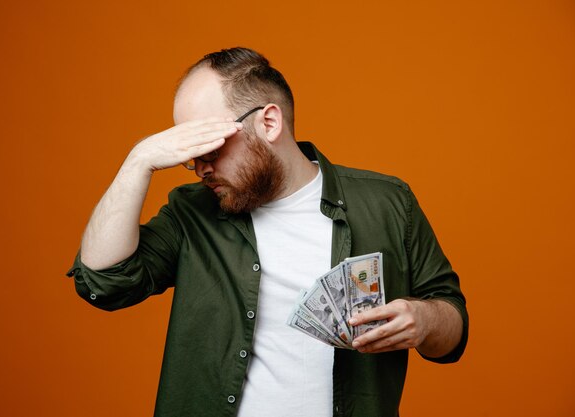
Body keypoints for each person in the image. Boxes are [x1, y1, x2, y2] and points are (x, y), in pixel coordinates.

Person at [67, 47, 468, 417]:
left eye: (209, 145)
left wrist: (426, 319)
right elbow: (105, 282)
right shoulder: (191, 212)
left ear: (269, 122)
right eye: (188, 153)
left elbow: (452, 329)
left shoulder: (388, 202)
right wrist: (138, 160)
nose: (200, 166)